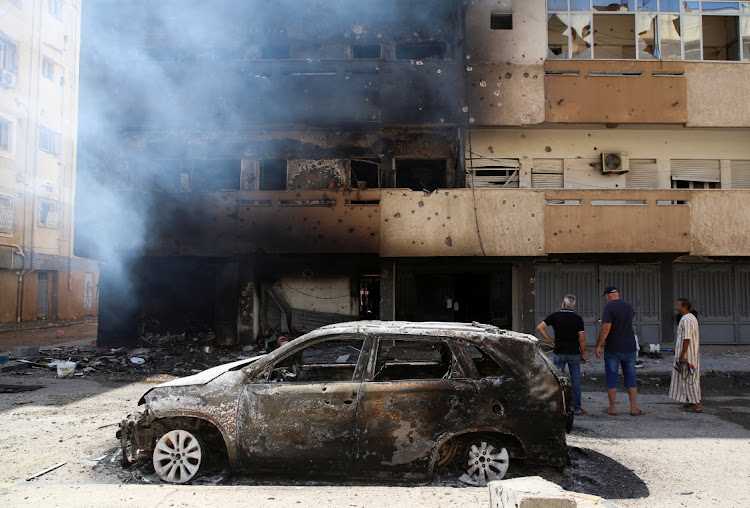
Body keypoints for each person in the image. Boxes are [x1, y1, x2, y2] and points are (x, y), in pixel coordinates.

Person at [595, 286, 645, 416]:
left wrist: (599, 345)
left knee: (612, 376)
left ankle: (612, 407)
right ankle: (634, 408)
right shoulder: (629, 306)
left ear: (608, 296)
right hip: (629, 346)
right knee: (631, 376)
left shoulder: (609, 308)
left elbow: (606, 328)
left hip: (613, 347)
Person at [537, 294, 588, 415]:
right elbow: (582, 339)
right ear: (572, 305)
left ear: (564, 304)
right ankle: (577, 408)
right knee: (575, 381)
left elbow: (540, 327)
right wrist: (583, 354)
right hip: (574, 353)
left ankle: (559, 408)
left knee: (558, 381)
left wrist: (549, 339)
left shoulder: (555, 316)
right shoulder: (578, 319)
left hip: (559, 352)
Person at [670, 298, 702, 412]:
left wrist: (683, 354)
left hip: (688, 355)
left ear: (684, 307)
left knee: (689, 379)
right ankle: (690, 401)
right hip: (690, 353)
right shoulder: (690, 318)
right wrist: (678, 348)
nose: (676, 307)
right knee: (687, 378)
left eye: (678, 305)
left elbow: (687, 338)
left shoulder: (686, 320)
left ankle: (697, 404)